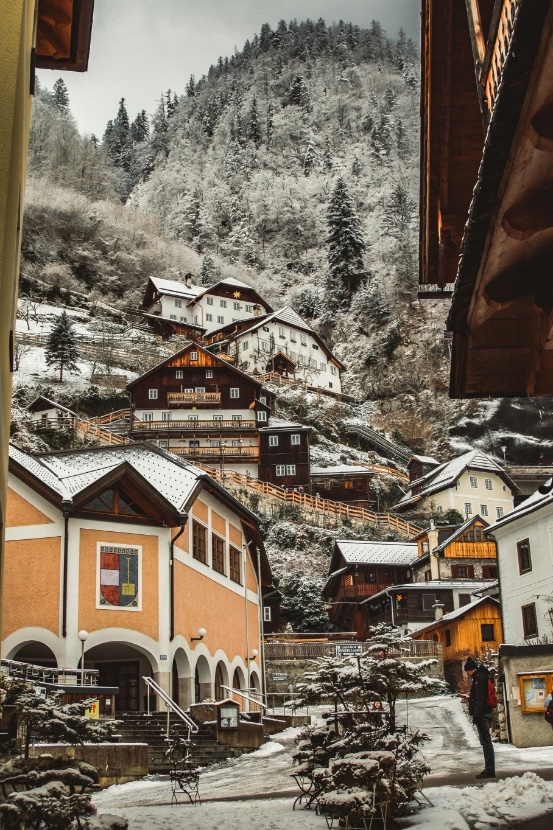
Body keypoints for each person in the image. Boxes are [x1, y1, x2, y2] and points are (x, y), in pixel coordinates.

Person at [464, 657, 495, 779]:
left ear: (472, 670)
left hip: (482, 714)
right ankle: (489, 768)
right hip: (485, 712)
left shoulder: (478, 678)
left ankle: (490, 770)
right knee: (486, 742)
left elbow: (480, 698)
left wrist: (476, 714)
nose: (467, 674)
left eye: (467, 671)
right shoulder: (483, 675)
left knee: (486, 742)